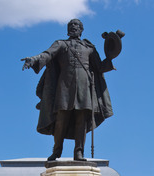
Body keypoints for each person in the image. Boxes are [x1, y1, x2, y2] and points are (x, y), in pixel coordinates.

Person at [22, 19, 114, 161]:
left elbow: (100, 67)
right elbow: (47, 54)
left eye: (76, 26)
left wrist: (110, 57)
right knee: (61, 120)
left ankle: (79, 152)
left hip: (84, 87)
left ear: (81, 30)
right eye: (71, 26)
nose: (73, 28)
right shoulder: (61, 44)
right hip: (64, 87)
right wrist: (34, 59)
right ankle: (56, 151)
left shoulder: (89, 47)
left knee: (81, 120)